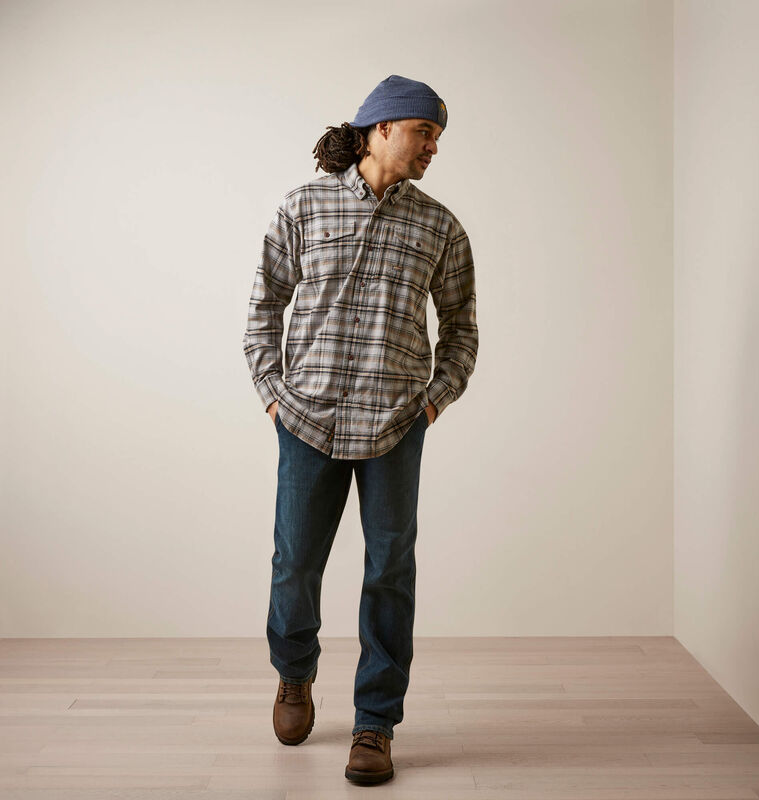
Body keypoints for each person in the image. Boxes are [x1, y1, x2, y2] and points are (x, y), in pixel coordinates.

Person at [242, 74, 479, 785]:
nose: (433, 147)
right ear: (381, 129)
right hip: (306, 420)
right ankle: (294, 674)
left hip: (396, 426)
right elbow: (263, 308)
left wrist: (432, 403)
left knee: (389, 574)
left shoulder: (440, 227)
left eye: (439, 136)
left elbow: (461, 330)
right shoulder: (302, 206)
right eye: (424, 132)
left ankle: (375, 723)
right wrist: (274, 395)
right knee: (294, 564)